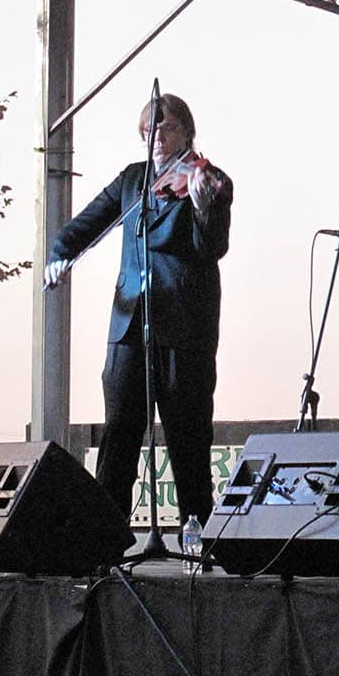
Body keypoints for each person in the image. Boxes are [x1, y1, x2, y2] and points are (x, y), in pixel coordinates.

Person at [45, 94, 232, 530]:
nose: (156, 139)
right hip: (129, 324)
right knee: (119, 436)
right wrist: (61, 253)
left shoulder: (211, 179)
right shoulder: (133, 181)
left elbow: (212, 249)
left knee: (188, 437)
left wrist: (203, 207)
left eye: (164, 129)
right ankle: (105, 537)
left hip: (184, 328)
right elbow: (90, 221)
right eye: (148, 131)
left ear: (187, 130)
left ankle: (196, 536)